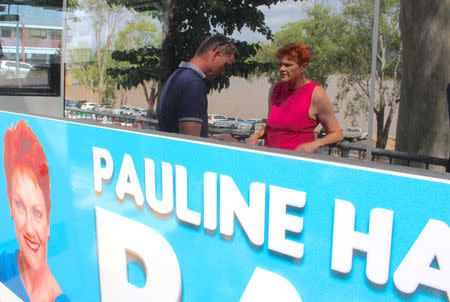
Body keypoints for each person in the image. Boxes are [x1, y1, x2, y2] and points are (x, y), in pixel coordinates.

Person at [0, 120, 69, 302]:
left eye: (37, 212)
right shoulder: (3, 266)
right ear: (10, 205)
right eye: (20, 205)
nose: (29, 229)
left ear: (48, 217)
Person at [247, 42, 343, 152]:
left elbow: (337, 133)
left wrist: (315, 144)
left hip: (297, 163)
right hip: (270, 161)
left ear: (303, 67)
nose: (282, 69)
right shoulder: (275, 89)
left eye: (288, 65)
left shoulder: (316, 93)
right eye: (280, 64)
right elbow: (272, 127)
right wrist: (257, 135)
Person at [157, 34, 238, 138]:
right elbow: (190, 143)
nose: (223, 72)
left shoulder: (178, 76)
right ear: (216, 54)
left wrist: (220, 138)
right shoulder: (193, 85)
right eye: (225, 65)